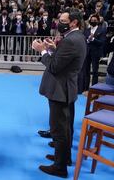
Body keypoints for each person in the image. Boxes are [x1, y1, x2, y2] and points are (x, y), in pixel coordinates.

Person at [32, 10, 86, 178]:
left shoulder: (71, 40)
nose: (59, 22)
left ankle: (59, 167)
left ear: (74, 22)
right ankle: (64, 158)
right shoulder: (76, 38)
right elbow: (63, 59)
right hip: (66, 88)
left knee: (59, 130)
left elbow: (54, 67)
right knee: (65, 128)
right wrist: (54, 48)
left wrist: (41, 51)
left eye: (63, 20)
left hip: (60, 90)